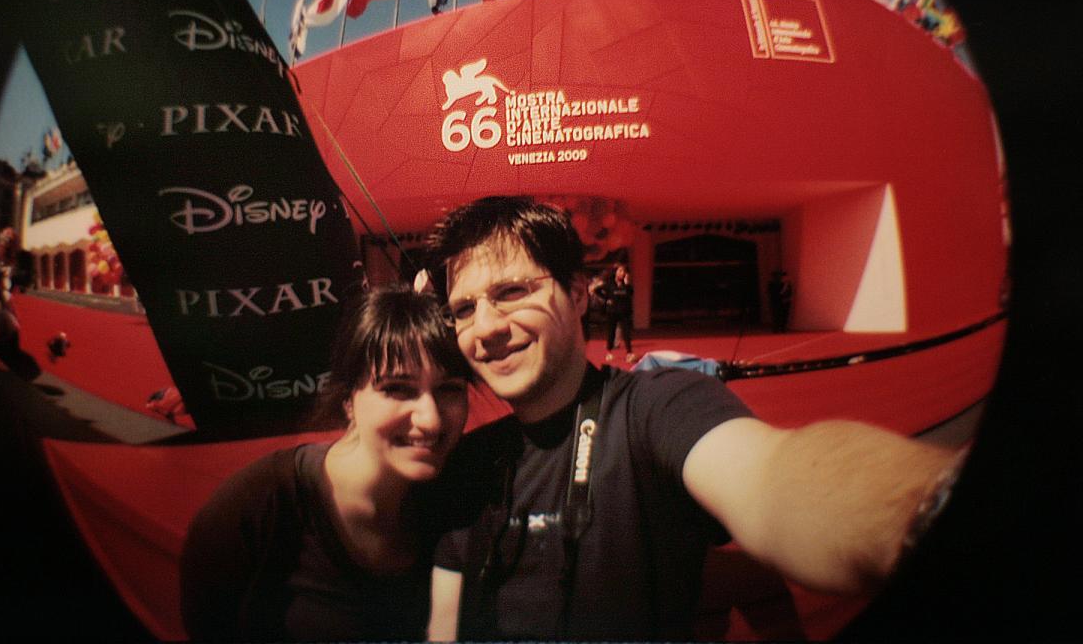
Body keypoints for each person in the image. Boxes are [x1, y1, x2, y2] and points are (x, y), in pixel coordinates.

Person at [424, 196, 966, 641]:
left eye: (511, 292)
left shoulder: (657, 409)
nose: (485, 327)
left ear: (578, 293)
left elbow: (776, 477)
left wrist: (923, 505)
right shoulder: (466, 462)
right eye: (464, 309)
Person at [179, 284, 473, 641]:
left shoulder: (459, 495)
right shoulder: (257, 506)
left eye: (449, 389)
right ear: (348, 400)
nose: (431, 420)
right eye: (398, 388)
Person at [600, 263, 635, 362]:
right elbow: (597, 290)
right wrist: (607, 299)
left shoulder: (626, 284)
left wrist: (627, 284)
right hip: (612, 312)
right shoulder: (610, 283)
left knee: (626, 333)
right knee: (611, 333)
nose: (622, 273)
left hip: (624, 312)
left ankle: (629, 353)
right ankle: (609, 352)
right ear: (615, 272)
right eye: (620, 270)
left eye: (624, 271)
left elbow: (630, 293)